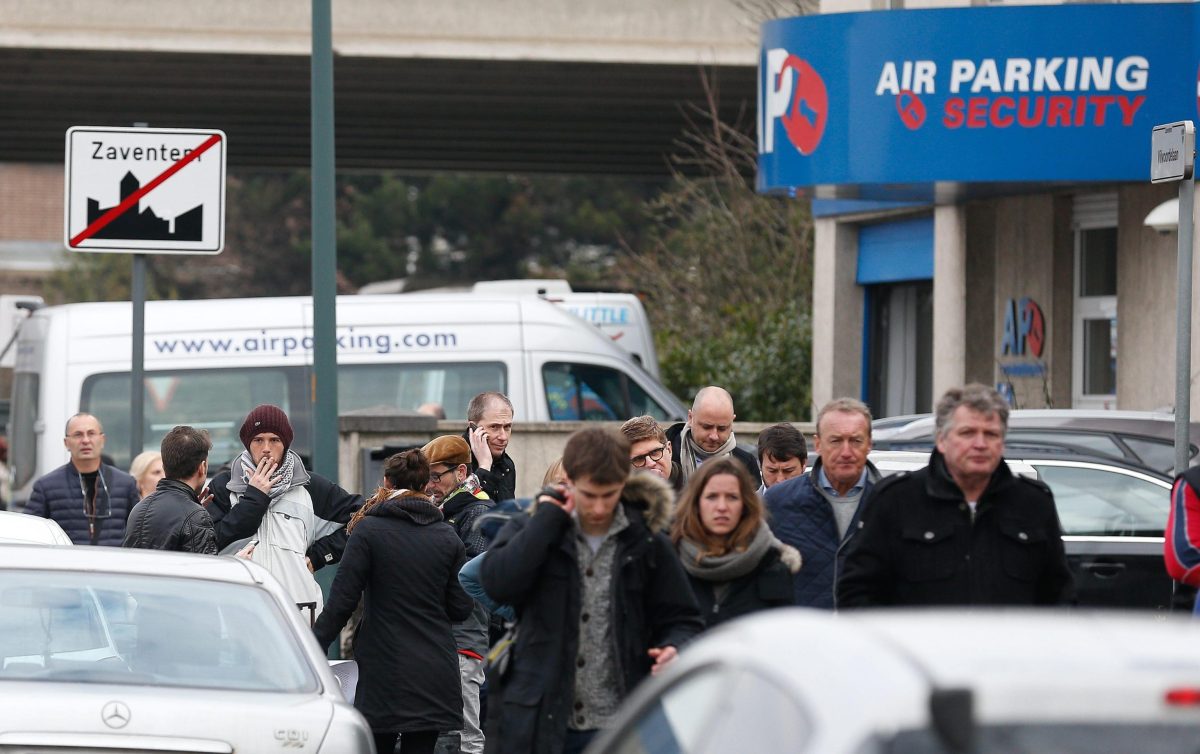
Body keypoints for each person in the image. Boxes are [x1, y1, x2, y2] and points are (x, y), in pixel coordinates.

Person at [480, 428, 703, 754]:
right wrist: (546, 523)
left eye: (609, 495)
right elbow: (497, 582)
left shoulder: (647, 539)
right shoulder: (537, 523)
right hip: (543, 720)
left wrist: (673, 645)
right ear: (569, 480)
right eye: (589, 495)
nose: (598, 508)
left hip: (622, 722)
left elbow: (684, 618)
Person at [838, 384, 1075, 607]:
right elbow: (858, 593)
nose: (980, 444)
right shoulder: (895, 500)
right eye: (968, 433)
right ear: (941, 440)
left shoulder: (1033, 504)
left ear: (1002, 442)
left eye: (991, 434)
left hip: (1009, 650)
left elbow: (1059, 597)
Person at [314, 450, 474, 754]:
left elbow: (341, 603)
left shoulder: (368, 531)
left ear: (386, 482)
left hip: (383, 670)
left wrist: (312, 647)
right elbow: (461, 607)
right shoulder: (447, 536)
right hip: (434, 669)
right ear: (426, 485)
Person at [208, 404, 362, 620]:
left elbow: (363, 517)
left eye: (274, 440)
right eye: (258, 440)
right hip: (240, 614)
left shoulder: (309, 486)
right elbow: (210, 542)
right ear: (247, 443)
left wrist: (319, 556)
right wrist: (254, 497)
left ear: (286, 443)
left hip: (297, 615)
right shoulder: (224, 486)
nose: (266, 448)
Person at [763, 398, 881, 608]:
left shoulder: (893, 501)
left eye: (855, 440)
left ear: (869, 444)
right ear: (818, 444)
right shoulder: (778, 502)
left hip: (871, 638)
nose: (846, 452)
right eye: (835, 441)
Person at [421, 435, 494, 754]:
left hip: (465, 639)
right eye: (427, 478)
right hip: (441, 636)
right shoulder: (441, 510)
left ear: (461, 472)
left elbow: (473, 572)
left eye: (436, 477)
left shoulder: (477, 510)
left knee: (466, 734)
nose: (430, 485)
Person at [671, 457, 800, 630]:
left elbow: (781, 635)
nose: (722, 507)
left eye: (732, 497)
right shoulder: (670, 559)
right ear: (696, 503)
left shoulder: (771, 563)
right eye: (712, 497)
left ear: (745, 504)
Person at [25, 413, 139, 546]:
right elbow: (30, 531)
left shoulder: (125, 483)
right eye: (78, 435)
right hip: (67, 563)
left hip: (113, 563)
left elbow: (138, 531)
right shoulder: (46, 486)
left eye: (91, 433)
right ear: (66, 443)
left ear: (102, 440)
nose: (85, 440)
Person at [122, 426, 217, 554]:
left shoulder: (138, 509)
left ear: (165, 466)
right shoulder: (196, 516)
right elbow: (205, 570)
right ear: (202, 467)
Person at [665, 386, 761, 486]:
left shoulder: (746, 464)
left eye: (722, 429)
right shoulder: (664, 455)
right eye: (706, 427)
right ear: (690, 418)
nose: (714, 436)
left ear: (732, 421)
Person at [464, 392, 516, 502]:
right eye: (494, 427)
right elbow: (457, 506)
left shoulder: (506, 465)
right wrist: (484, 467)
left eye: (507, 427)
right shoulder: (454, 459)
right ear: (473, 427)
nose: (503, 437)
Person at [620, 415, 683, 492]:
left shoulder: (695, 488)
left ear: (669, 449)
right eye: (639, 459)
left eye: (655, 452)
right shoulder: (618, 497)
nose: (650, 463)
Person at [756, 423, 808, 492]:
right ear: (761, 465)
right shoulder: (744, 503)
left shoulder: (822, 501)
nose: (780, 480)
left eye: (788, 471)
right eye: (772, 471)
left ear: (804, 464)